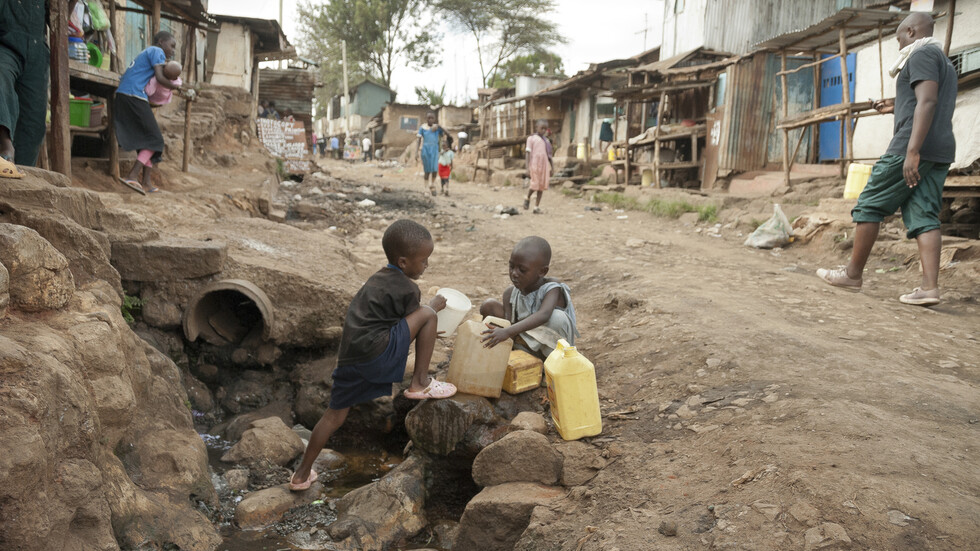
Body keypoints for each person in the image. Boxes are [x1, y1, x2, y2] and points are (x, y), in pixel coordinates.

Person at [288, 219, 457, 491]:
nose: (426, 265)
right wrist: (433, 308)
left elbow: (397, 324)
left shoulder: (377, 279)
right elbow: (418, 320)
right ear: (403, 262)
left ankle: (301, 475)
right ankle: (420, 383)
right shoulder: (408, 288)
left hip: (350, 358)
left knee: (333, 416)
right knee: (428, 313)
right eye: (424, 260)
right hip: (377, 352)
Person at [817, 12, 956, 307]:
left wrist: (912, 151)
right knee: (924, 215)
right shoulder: (943, 60)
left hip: (911, 146)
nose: (897, 45)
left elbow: (928, 101)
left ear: (911, 30)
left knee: (870, 203)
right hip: (941, 149)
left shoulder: (920, 55)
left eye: (898, 38)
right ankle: (929, 288)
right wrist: (896, 105)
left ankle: (852, 275)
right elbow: (926, 101)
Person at [480, 236, 579, 360]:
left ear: (542, 272)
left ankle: (550, 368)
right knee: (489, 305)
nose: (514, 273)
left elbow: (544, 314)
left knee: (557, 317)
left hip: (550, 349)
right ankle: (502, 359)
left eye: (522, 270)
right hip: (522, 345)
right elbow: (509, 325)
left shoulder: (552, 288)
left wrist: (508, 332)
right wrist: (506, 332)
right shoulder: (510, 293)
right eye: (511, 266)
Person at [114, 31, 183, 195]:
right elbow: (159, 78)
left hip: (126, 94)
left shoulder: (147, 53)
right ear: (161, 41)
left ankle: (146, 181)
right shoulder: (156, 51)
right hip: (134, 94)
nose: (173, 50)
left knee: (146, 139)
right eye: (171, 45)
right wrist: (176, 87)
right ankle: (131, 175)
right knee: (156, 139)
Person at [0, 0, 49, 178]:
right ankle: (5, 145)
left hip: (36, 49)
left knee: (33, 123)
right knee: (1, 77)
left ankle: (19, 174)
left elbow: (59, 17)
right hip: (5, 40)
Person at [524, 120, 553, 213]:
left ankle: (536, 207)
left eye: (545, 129)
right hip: (535, 164)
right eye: (542, 128)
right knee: (534, 185)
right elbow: (528, 153)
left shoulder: (547, 141)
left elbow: (549, 156)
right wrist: (527, 167)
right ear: (537, 127)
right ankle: (527, 197)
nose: (543, 130)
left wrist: (552, 167)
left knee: (541, 187)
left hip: (544, 166)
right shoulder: (531, 138)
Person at [416, 112, 444, 196]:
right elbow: (419, 140)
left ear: (435, 119)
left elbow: (447, 133)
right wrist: (416, 152)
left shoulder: (436, 128)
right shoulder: (423, 128)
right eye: (429, 118)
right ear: (426, 119)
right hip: (425, 150)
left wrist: (439, 126)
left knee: (435, 169)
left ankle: (432, 185)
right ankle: (426, 188)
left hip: (435, 150)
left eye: (432, 118)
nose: (430, 120)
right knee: (427, 170)